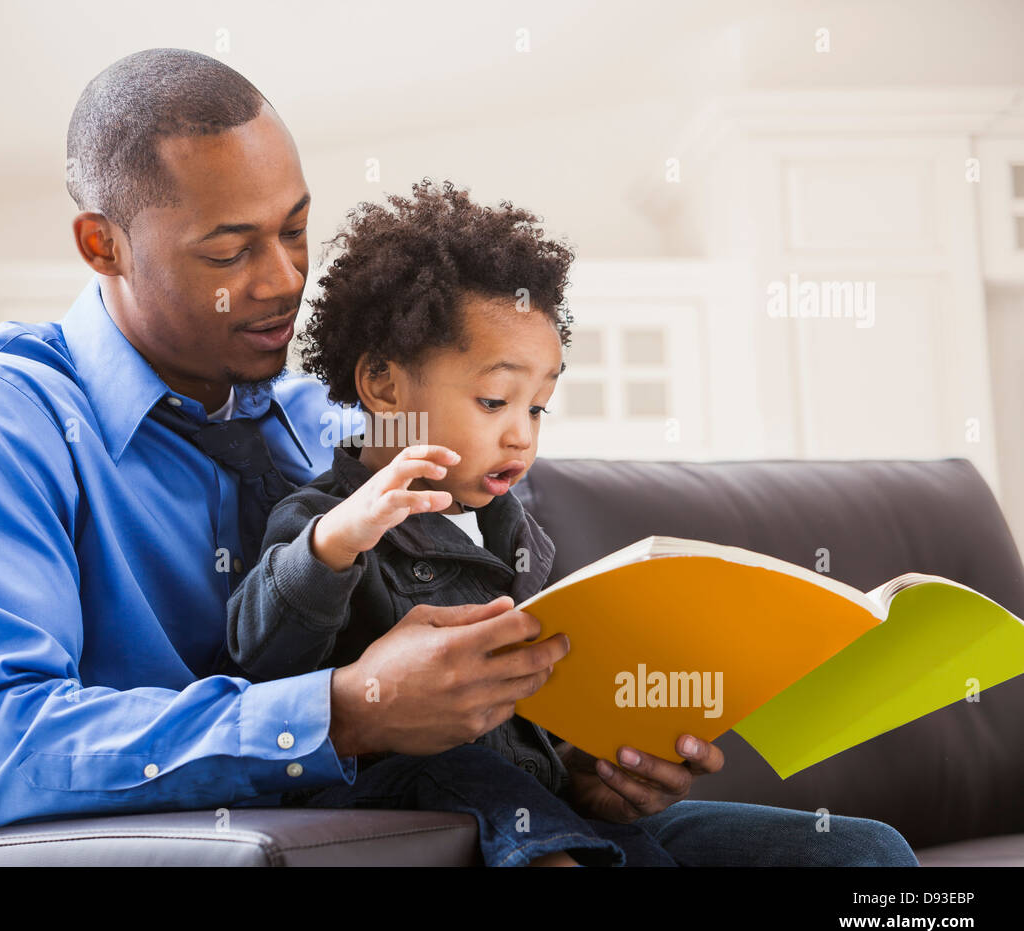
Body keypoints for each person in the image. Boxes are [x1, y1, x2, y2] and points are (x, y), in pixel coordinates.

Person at [0, 47, 916, 866]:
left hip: (481, 812)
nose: (281, 280)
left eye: (297, 228)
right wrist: (351, 708)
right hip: (308, 833)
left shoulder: (337, 423)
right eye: (230, 250)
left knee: (862, 860)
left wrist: (586, 767)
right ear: (102, 245)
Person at [221, 180, 922, 866]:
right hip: (414, 802)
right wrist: (333, 546)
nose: (522, 436)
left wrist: (599, 768)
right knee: (461, 771)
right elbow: (263, 655)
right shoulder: (326, 519)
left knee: (865, 848)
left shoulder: (513, 532)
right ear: (383, 384)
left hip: (549, 809)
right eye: (495, 401)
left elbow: (535, 732)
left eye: (538, 408)